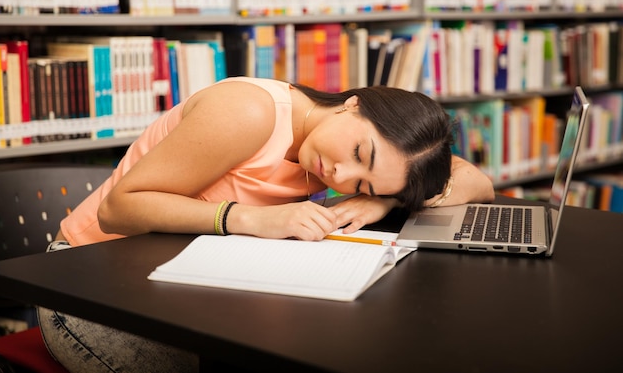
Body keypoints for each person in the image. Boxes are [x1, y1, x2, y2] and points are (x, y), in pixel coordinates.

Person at [38, 76, 494, 372]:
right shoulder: (251, 113)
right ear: (354, 104)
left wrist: (381, 200)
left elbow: (477, 182)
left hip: (182, 288)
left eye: (365, 183)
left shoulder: (375, 157)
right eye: (359, 155)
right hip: (89, 284)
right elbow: (117, 209)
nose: (340, 177)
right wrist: (251, 218)